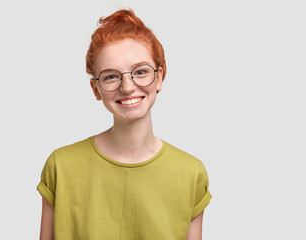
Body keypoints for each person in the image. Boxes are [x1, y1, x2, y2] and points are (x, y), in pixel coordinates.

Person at [37, 9, 212, 240]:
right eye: (111, 76)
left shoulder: (191, 173)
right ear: (95, 89)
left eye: (140, 72)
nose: (127, 87)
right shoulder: (60, 166)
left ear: (159, 77)